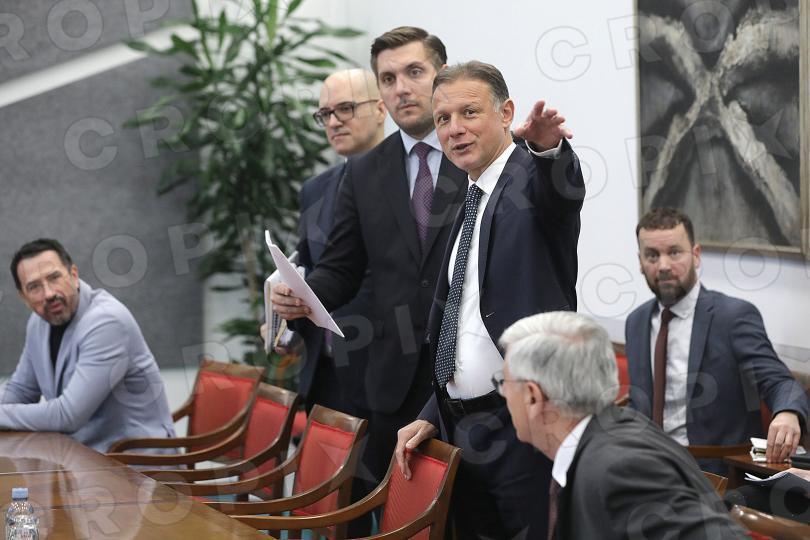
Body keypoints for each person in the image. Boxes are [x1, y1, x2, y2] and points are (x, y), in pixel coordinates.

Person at [271, 27, 468, 490]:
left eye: (414, 72)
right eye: (388, 78)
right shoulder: (364, 171)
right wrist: (300, 297)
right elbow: (340, 268)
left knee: (467, 516)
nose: (402, 88)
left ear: (442, 76)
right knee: (392, 510)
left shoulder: (472, 150)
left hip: (468, 375)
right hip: (392, 380)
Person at [395, 61, 584, 538]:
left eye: (469, 112)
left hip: (524, 427)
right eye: (443, 119)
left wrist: (548, 148)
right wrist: (432, 414)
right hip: (461, 430)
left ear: (506, 113)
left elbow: (562, 192)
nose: (454, 129)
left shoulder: (530, 178)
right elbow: (463, 324)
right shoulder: (469, 195)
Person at [497, 311, 747, 539]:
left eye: (504, 383)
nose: (504, 393)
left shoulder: (620, 469)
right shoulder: (614, 431)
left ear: (533, 396)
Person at [626, 208, 808, 472]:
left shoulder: (733, 317)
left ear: (696, 255)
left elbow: (780, 382)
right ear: (640, 262)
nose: (663, 266)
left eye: (674, 252)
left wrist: (788, 413)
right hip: (648, 466)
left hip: (714, 471)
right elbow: (639, 404)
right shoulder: (637, 322)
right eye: (652, 255)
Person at [269, 68, 386, 416]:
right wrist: (285, 318)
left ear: (381, 109)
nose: (333, 122)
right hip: (323, 370)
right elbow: (309, 269)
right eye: (324, 114)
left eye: (345, 108)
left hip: (384, 369)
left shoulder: (407, 182)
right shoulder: (315, 189)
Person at [2, 239, 175, 452]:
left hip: (138, 463)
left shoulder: (107, 322)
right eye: (34, 287)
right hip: (82, 457)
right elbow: (21, 390)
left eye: (54, 278)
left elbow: (68, 415)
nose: (49, 293)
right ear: (24, 297)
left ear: (73, 275)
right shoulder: (38, 323)